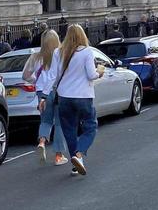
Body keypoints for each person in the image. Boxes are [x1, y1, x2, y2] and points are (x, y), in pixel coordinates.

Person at [46, 23, 105, 176]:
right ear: (82, 36)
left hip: (64, 96)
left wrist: (45, 95)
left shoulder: (58, 52)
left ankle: (76, 164)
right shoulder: (86, 52)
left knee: (69, 130)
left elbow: (54, 76)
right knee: (90, 127)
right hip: (83, 96)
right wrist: (99, 72)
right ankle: (78, 154)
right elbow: (91, 75)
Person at [25, 29, 68, 166]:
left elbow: (25, 75)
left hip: (42, 93)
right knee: (60, 123)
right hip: (59, 91)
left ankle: (42, 142)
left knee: (45, 120)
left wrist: (36, 82)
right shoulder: (62, 55)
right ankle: (58, 156)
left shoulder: (35, 57)